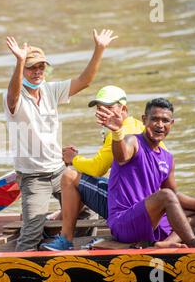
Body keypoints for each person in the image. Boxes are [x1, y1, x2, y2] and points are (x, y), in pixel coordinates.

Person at [4, 29, 118, 251]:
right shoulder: (14, 97)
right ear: (23, 71)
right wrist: (19, 61)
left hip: (58, 171)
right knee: (30, 234)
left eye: (41, 67)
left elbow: (84, 81)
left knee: (87, 212)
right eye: (31, 67)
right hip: (33, 178)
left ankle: (75, 248)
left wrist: (99, 49)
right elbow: (13, 95)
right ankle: (27, 263)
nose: (37, 72)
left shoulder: (51, 90)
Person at [41, 85, 166, 250]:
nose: (103, 113)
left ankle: (65, 239)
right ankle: (63, 214)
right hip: (147, 203)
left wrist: (73, 159)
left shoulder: (121, 133)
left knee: (70, 176)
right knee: (92, 179)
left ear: (124, 109)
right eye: (100, 109)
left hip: (131, 207)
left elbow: (97, 168)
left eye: (109, 108)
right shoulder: (142, 127)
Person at [97, 97, 195, 248]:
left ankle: (163, 245)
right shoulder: (132, 142)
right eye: (154, 119)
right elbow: (121, 156)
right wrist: (117, 132)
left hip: (151, 222)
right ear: (144, 120)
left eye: (165, 121)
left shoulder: (168, 158)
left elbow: (175, 196)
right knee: (165, 195)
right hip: (124, 224)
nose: (160, 125)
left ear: (171, 124)